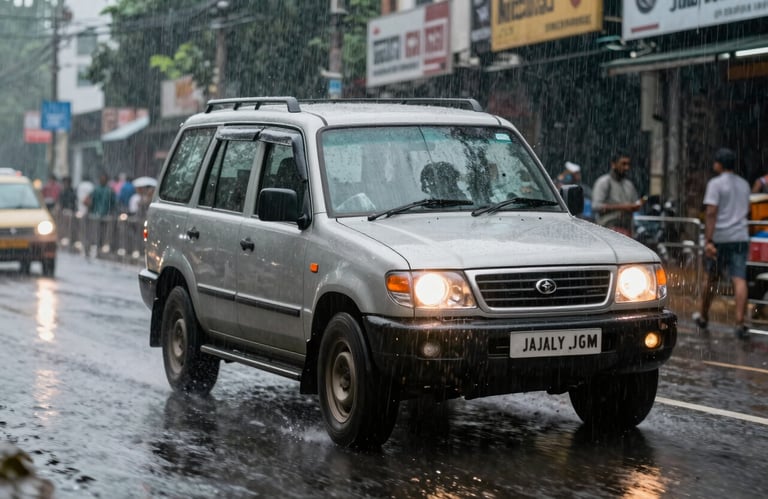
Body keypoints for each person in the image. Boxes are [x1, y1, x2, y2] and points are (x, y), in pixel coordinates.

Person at [693, 148, 751, 339]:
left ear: (719, 164)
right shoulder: (744, 184)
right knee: (739, 278)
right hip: (740, 237)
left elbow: (711, 212)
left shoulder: (715, 184)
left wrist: (708, 240)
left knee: (711, 278)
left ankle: (703, 316)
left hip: (720, 238)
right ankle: (740, 322)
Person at [591, 151, 644, 235]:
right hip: (607, 230)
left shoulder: (629, 185)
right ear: (613, 164)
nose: (626, 168)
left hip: (627, 230)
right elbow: (596, 206)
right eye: (623, 164)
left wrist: (637, 205)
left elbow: (634, 204)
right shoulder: (604, 182)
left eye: (628, 164)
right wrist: (623, 207)